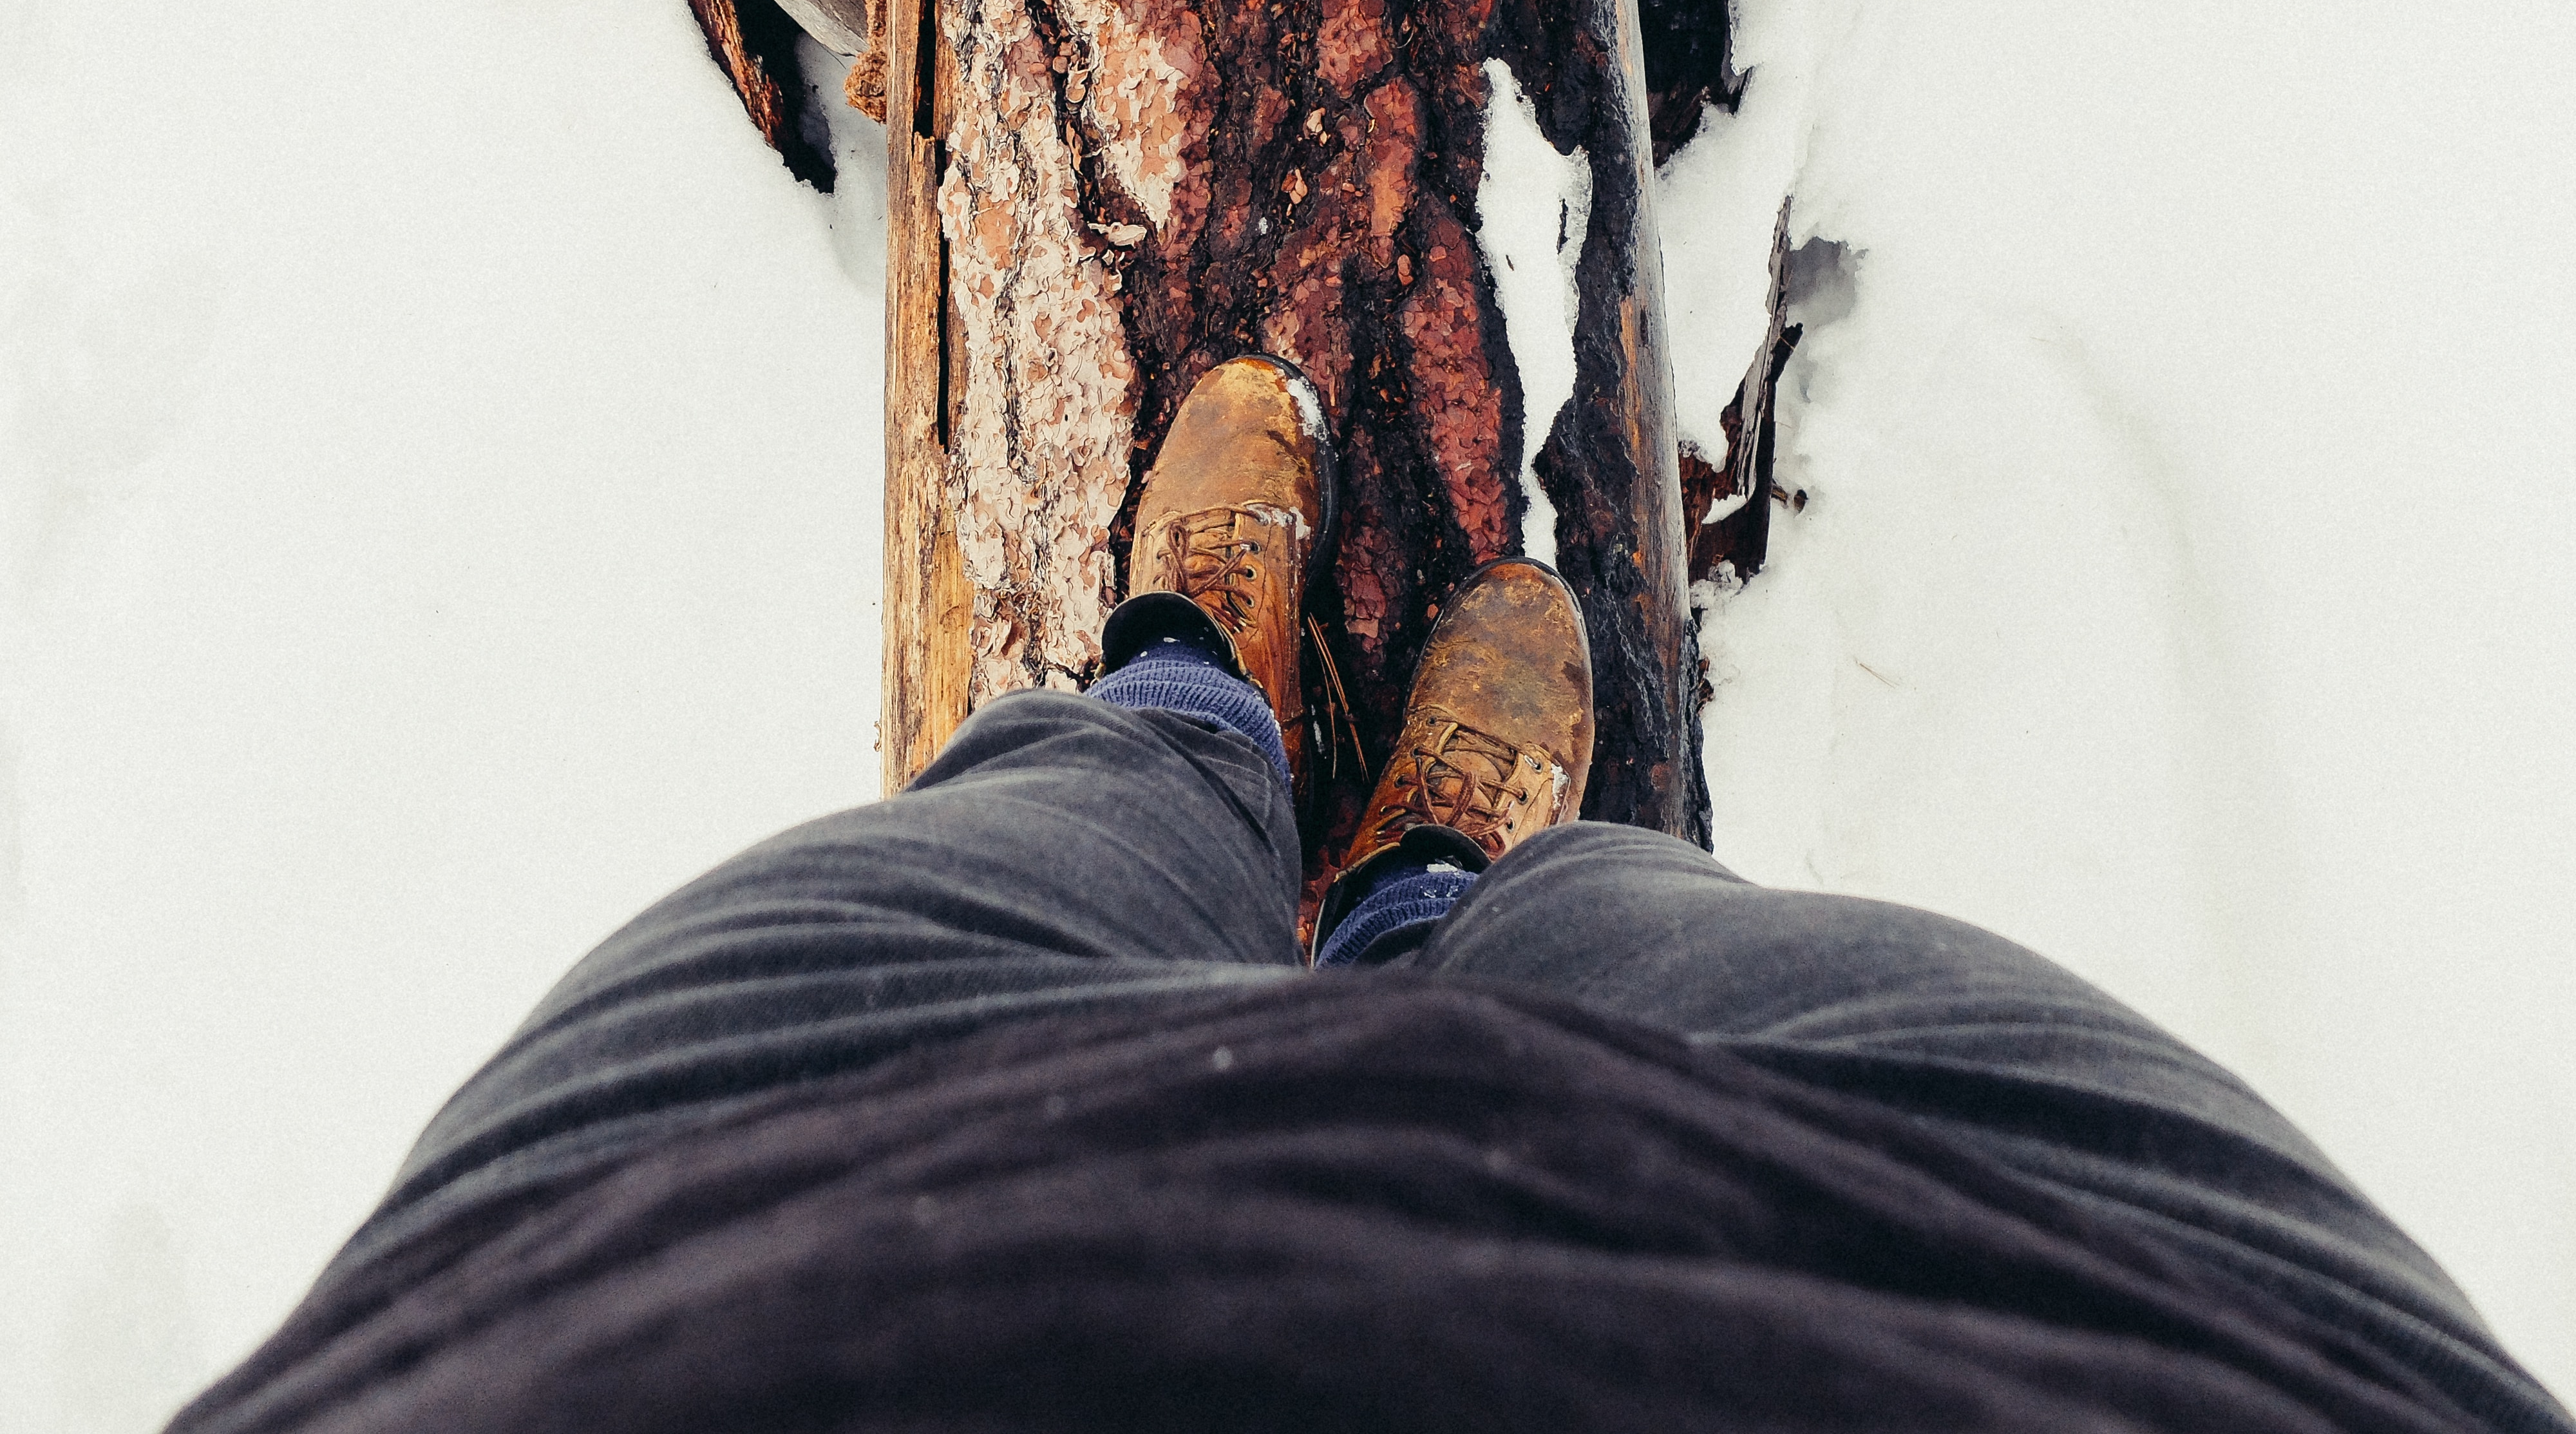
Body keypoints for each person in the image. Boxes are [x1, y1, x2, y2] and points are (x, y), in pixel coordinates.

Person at [172, 358, 2569, 1433]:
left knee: (1037, 832)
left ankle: (1202, 708)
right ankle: (1431, 889)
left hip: (663, 1280)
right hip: (2085, 1309)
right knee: (1638, 921)